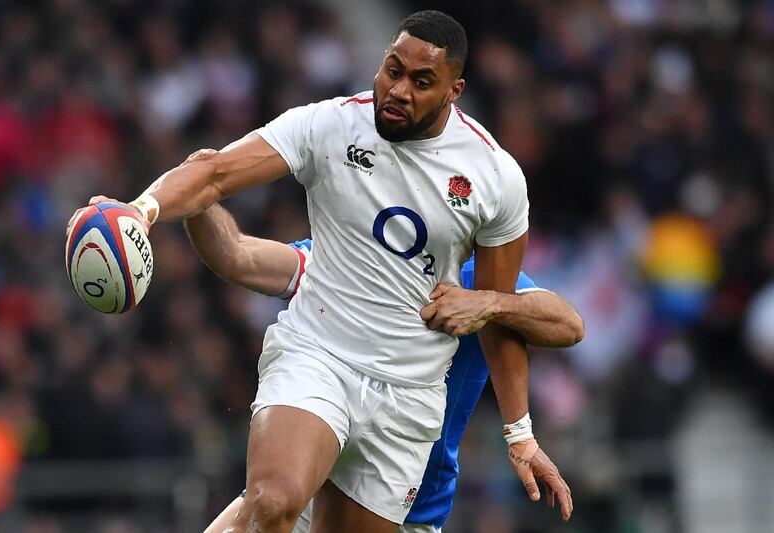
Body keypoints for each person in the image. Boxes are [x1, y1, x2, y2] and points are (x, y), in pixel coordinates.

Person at [70, 10, 543, 532]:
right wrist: (140, 210)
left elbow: (506, 316)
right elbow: (216, 174)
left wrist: (519, 433)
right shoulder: (330, 125)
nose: (398, 90)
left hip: (408, 397)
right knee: (275, 500)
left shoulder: (494, 177)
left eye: (421, 81)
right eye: (392, 70)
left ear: (454, 90)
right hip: (320, 355)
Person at [185, 204, 582, 532]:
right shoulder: (350, 260)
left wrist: (490, 304)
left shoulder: (467, 276)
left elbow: (568, 325)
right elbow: (239, 254)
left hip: (405, 509)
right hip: (318, 480)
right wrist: (198, 197)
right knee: (267, 502)